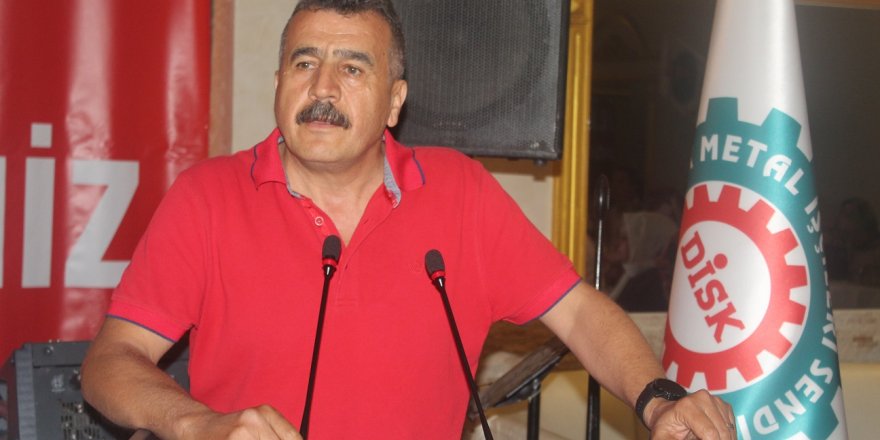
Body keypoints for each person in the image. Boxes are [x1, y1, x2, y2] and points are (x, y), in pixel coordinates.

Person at [80, 1, 735, 438]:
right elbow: (110, 362)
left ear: (395, 101)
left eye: (352, 68)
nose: (323, 88)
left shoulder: (459, 193)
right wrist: (197, 425)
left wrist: (658, 398)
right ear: (278, 82)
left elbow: (580, 312)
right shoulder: (206, 198)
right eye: (305, 63)